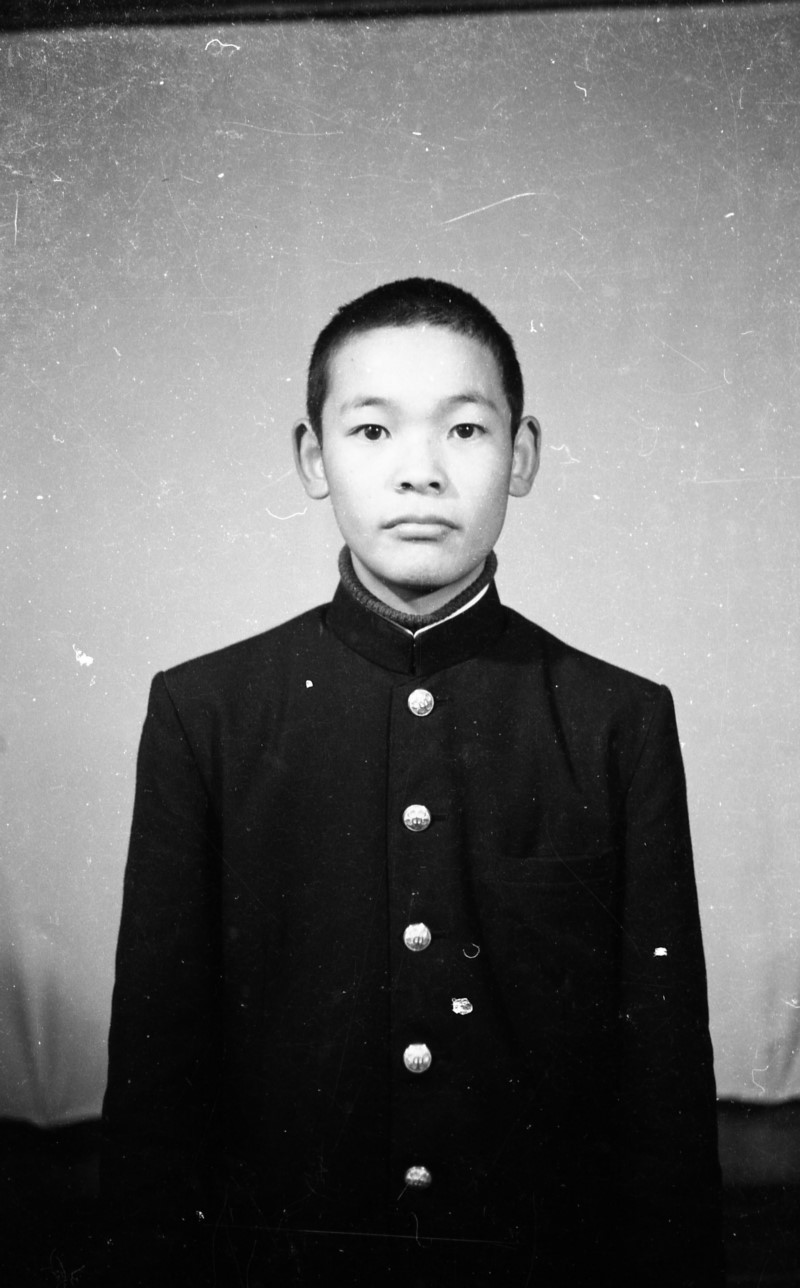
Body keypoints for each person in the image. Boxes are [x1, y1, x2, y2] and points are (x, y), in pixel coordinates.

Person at [101, 278, 724, 1286]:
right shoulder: (205, 714)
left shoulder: (617, 721)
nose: (420, 471)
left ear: (522, 455)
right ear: (314, 458)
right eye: (372, 431)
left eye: (466, 429)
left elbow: (663, 1085)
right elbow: (156, 1078)